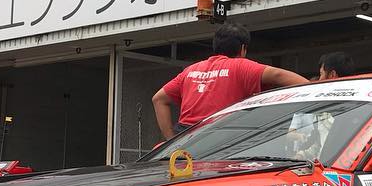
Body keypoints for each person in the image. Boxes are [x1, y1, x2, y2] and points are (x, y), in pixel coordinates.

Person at [153, 23, 308, 139]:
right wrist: (317, 89)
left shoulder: (190, 71)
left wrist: (171, 141)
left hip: (185, 141)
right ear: (243, 48)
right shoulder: (240, 66)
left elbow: (158, 99)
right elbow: (278, 75)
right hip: (218, 139)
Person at [286, 52, 357, 160]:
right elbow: (320, 146)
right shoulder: (324, 109)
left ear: (332, 75)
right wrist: (300, 156)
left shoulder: (356, 109)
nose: (319, 80)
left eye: (321, 74)